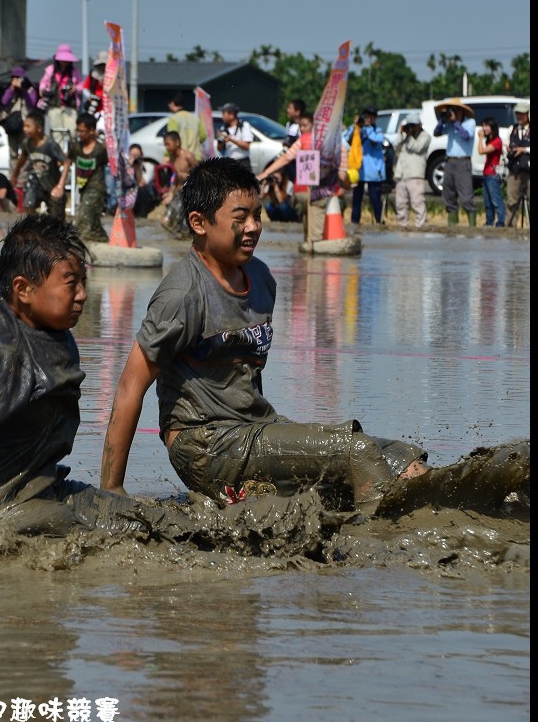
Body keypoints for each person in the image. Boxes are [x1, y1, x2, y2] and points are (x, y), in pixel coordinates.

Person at [100, 158, 430, 514]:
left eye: (257, 215)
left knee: (400, 459)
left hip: (258, 431)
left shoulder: (261, 279)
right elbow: (130, 386)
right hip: (206, 445)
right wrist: (112, 487)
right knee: (356, 452)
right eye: (239, 218)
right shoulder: (182, 294)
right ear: (199, 222)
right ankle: (374, 553)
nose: (253, 227)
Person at [0, 215, 182, 560]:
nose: (83, 295)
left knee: (151, 520)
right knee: (131, 541)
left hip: (40, 488)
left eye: (84, 281)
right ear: (23, 289)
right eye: (71, 284)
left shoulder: (35, 322)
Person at [54, 112, 109, 243]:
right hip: (83, 188)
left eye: (82, 131)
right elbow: (67, 161)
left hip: (97, 189)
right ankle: (102, 238)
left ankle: (82, 246)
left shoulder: (100, 149)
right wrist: (60, 183)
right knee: (92, 219)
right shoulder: (76, 147)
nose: (79, 134)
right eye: (77, 130)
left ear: (91, 131)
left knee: (83, 216)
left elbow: (113, 164)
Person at [10, 110, 66, 219]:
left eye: (28, 126)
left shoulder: (50, 144)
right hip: (36, 180)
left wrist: (60, 186)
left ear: (39, 128)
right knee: (28, 205)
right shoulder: (27, 143)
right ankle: (38, 227)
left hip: (52, 183)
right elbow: (22, 158)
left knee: (57, 218)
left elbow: (67, 162)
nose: (24, 129)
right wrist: (15, 175)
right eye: (24, 126)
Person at [433, 98, 477, 225]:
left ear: (462, 111)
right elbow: (436, 133)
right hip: (450, 161)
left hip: (463, 162)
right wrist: (442, 120)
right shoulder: (450, 124)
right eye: (452, 111)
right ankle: (452, 226)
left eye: (456, 110)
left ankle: (472, 227)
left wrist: (456, 122)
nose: (454, 113)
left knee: (466, 195)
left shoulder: (470, 122)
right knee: (448, 194)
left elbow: (466, 136)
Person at [0, 67, 39, 184]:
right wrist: (11, 88)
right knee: (13, 153)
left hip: (25, 127)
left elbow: (32, 102)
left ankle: (23, 179)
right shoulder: (9, 89)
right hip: (12, 126)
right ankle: (12, 177)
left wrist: (22, 89)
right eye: (14, 78)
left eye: (18, 78)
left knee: (25, 153)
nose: (16, 80)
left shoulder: (29, 89)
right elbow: (4, 102)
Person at [345, 107, 386, 224]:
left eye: (372, 116)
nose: (369, 119)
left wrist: (368, 128)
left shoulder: (377, 130)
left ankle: (379, 222)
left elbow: (376, 141)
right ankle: (355, 222)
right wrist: (356, 126)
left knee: (375, 199)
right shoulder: (357, 129)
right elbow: (348, 139)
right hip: (359, 170)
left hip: (374, 172)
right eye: (367, 116)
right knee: (356, 200)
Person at [38, 43, 82, 149]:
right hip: (54, 106)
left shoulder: (74, 71)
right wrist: (46, 91)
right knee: (56, 132)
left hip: (69, 107)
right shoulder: (50, 70)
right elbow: (42, 85)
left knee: (72, 131)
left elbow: (81, 86)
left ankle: (71, 153)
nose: (65, 62)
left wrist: (75, 88)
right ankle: (59, 155)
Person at [393, 111, 431, 229]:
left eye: (413, 125)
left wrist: (409, 137)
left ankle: (420, 226)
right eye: (410, 125)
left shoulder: (425, 136)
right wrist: (401, 134)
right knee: (400, 203)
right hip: (401, 174)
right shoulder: (405, 137)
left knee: (417, 203)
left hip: (415, 175)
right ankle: (403, 225)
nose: (412, 128)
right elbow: (395, 146)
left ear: (419, 125)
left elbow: (417, 148)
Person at [160, 131, 197, 237]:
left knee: (185, 224)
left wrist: (187, 176)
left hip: (190, 193)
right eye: (165, 144)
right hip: (178, 192)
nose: (166, 147)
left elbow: (200, 174)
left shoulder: (188, 156)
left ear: (177, 142)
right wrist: (170, 194)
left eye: (168, 144)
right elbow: (175, 178)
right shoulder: (172, 158)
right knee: (166, 222)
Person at [476, 116, 506, 228]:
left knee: (496, 200)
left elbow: (481, 151)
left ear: (492, 127)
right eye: (483, 126)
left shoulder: (497, 141)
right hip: (487, 173)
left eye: (486, 126)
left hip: (493, 174)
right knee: (487, 201)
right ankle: (489, 221)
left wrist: (480, 138)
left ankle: (501, 221)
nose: (484, 128)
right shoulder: (490, 140)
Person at [505, 101, 530, 227]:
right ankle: (510, 228)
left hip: (529, 169)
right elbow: (507, 144)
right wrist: (509, 150)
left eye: (522, 114)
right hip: (514, 169)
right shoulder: (512, 129)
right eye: (517, 114)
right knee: (511, 200)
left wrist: (524, 150)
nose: (519, 116)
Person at [166, 92, 208, 161]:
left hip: (181, 158)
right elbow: (203, 135)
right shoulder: (195, 118)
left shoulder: (174, 119)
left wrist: (167, 155)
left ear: (172, 103)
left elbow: (171, 140)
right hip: (196, 157)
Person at [216, 102, 253, 167]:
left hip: (242, 162)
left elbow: (247, 146)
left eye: (223, 113)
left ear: (231, 115)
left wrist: (231, 139)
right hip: (228, 162)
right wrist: (220, 139)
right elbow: (219, 149)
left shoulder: (244, 126)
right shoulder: (223, 128)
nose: (222, 116)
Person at [129, 143, 161, 218]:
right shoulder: (126, 168)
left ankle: (142, 216)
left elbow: (142, 184)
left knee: (141, 191)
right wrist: (128, 168)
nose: (135, 158)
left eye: (136, 155)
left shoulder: (149, 166)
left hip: (147, 199)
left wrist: (137, 169)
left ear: (142, 155)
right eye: (132, 155)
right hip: (131, 198)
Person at [80, 50, 108, 115]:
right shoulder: (93, 75)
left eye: (104, 64)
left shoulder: (113, 75)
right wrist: (89, 96)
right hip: (95, 105)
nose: (103, 67)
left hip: (108, 105)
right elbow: (85, 88)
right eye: (101, 65)